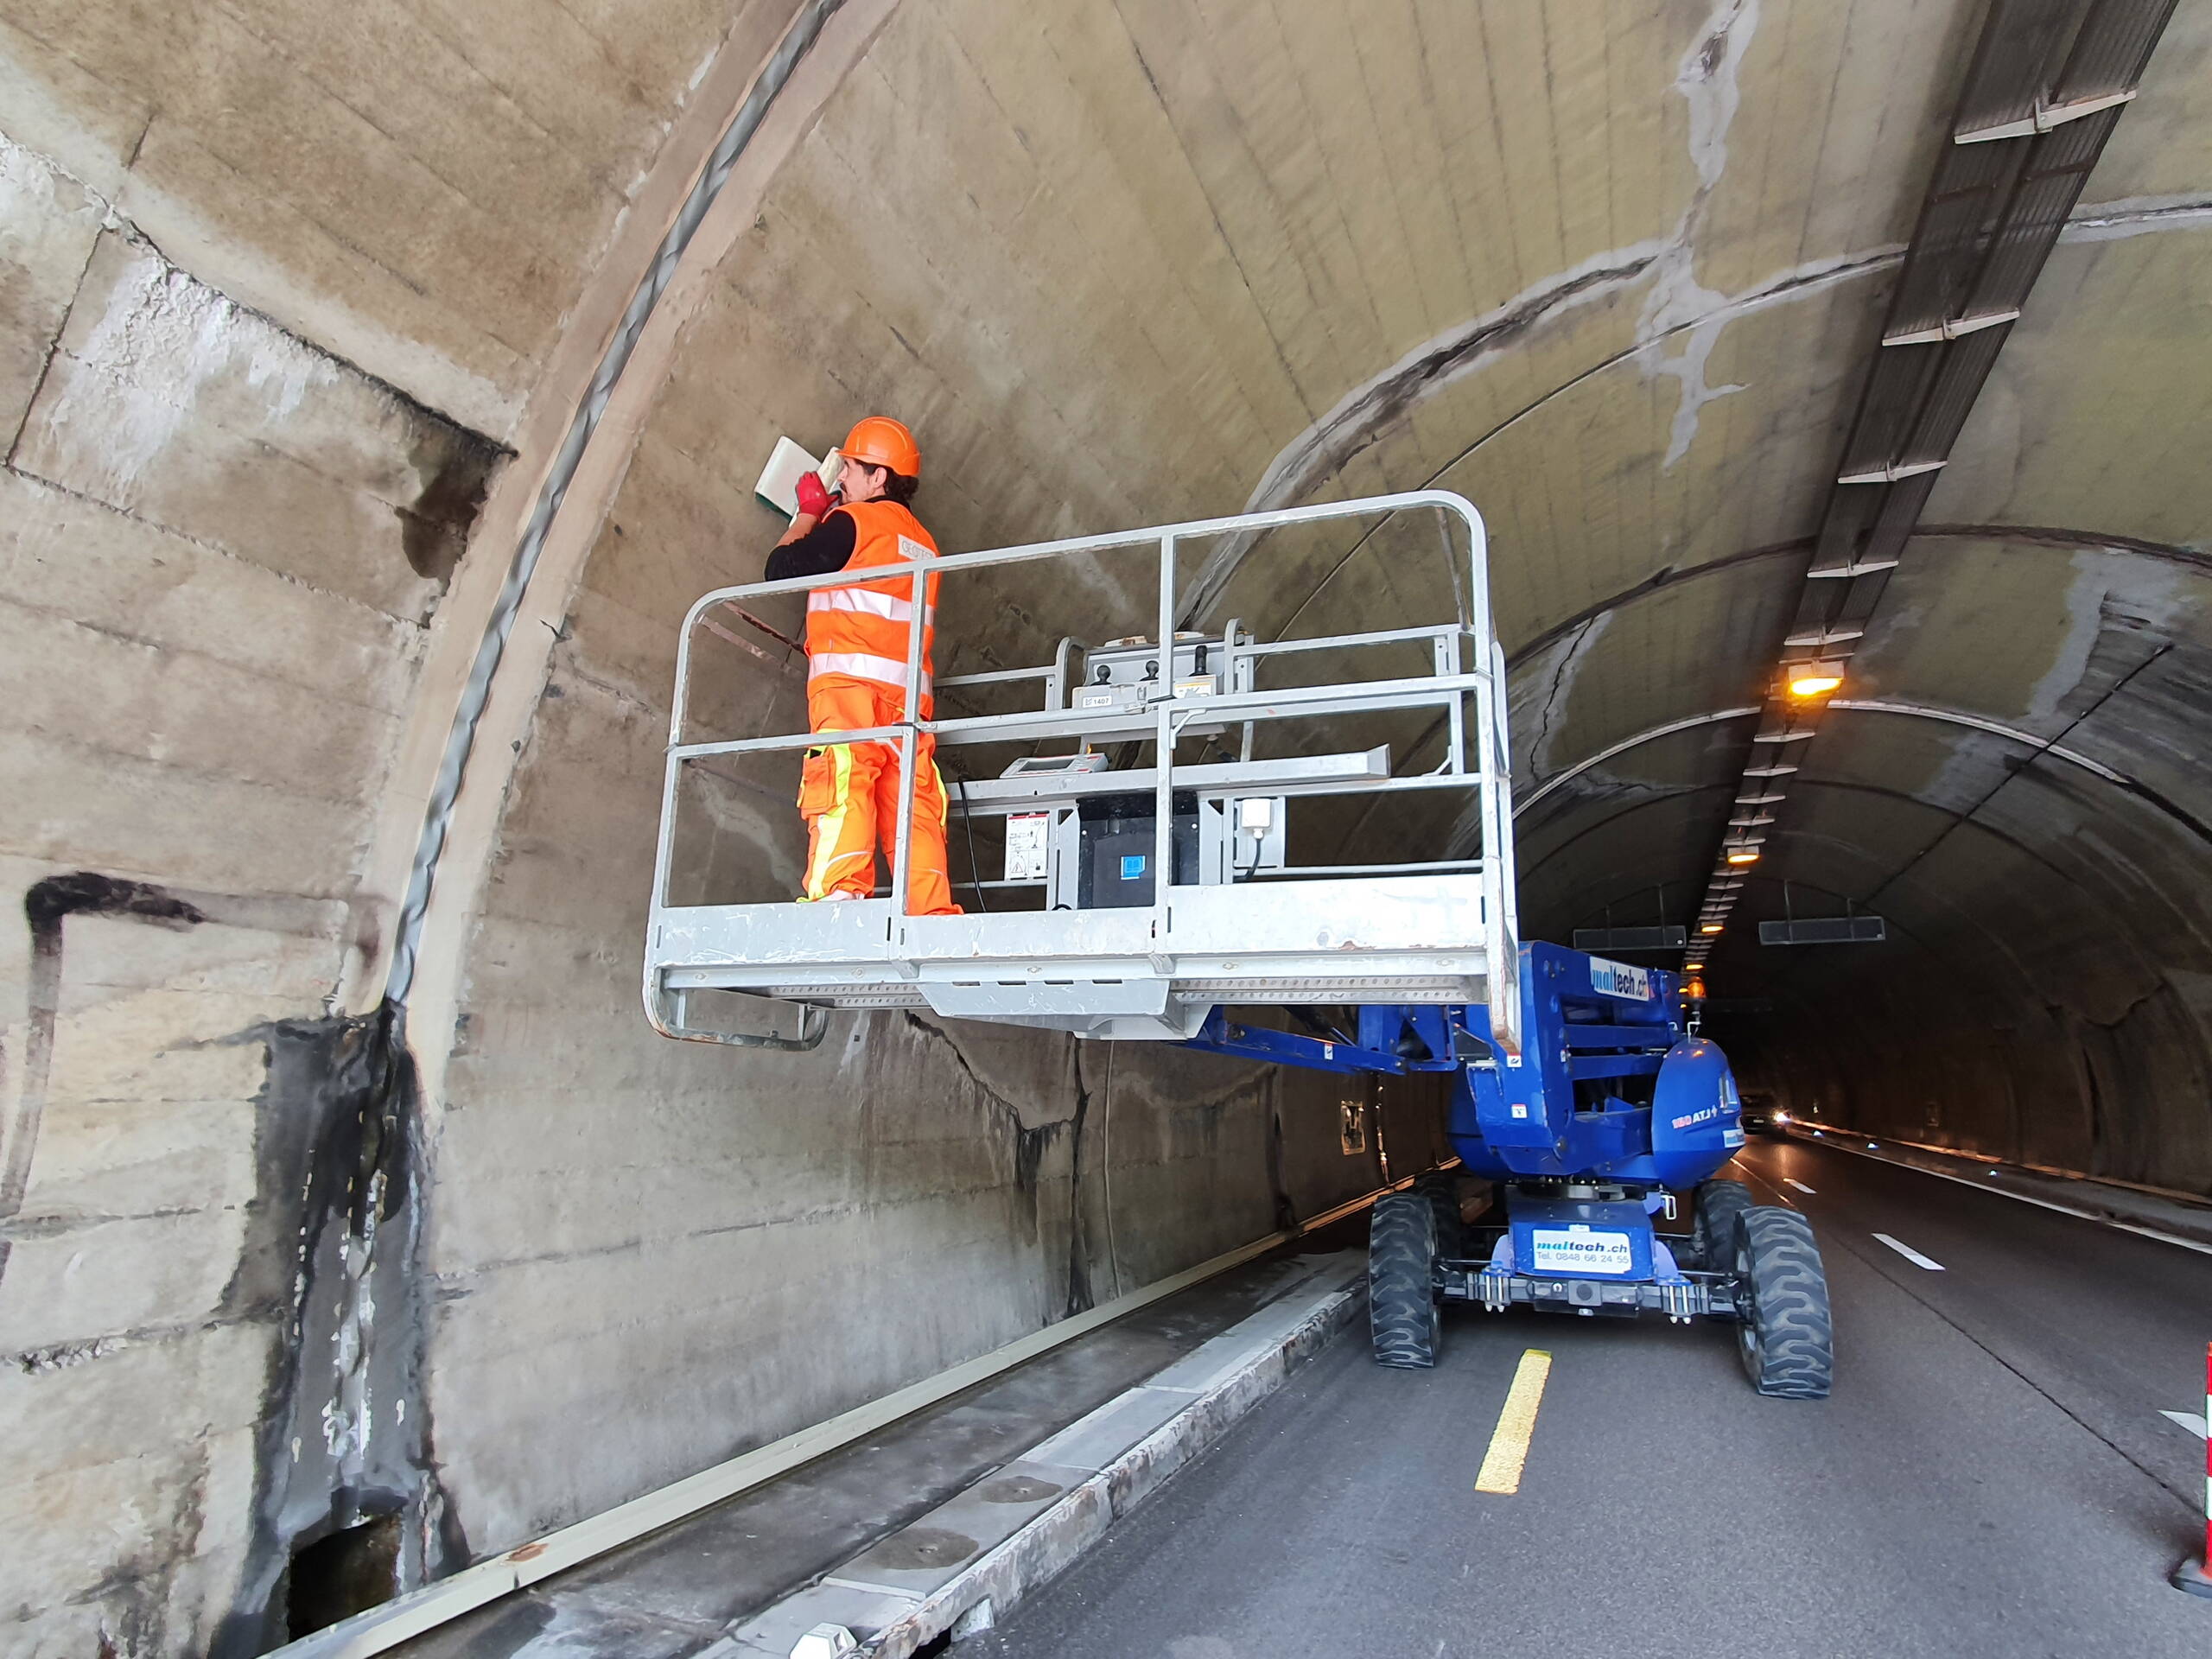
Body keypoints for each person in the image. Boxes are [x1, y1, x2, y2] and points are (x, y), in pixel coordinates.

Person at [765, 416, 962, 915]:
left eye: (850, 468)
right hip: (907, 705)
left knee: (844, 783)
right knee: (913, 806)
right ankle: (931, 915)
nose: (842, 480)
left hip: (849, 690)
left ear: (879, 479)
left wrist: (809, 514)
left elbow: (780, 572)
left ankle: (839, 900)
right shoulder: (926, 545)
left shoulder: (853, 522)